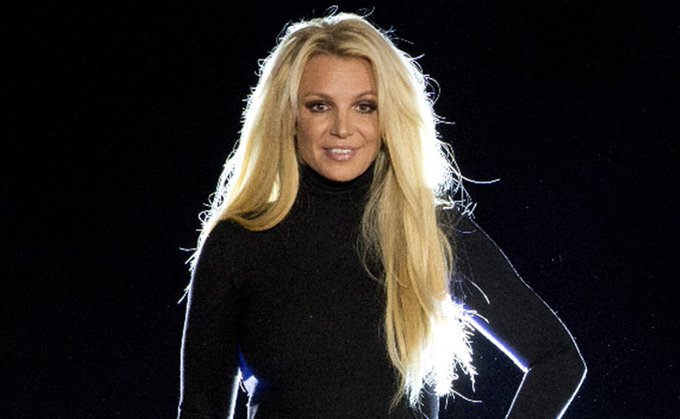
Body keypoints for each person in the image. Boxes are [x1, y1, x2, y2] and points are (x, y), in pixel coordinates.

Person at [178, 11, 586, 419]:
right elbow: (200, 409)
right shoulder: (237, 242)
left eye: (365, 106)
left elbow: (557, 359)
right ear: (288, 116)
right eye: (320, 106)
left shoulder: (430, 233)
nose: (342, 128)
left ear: (389, 115)